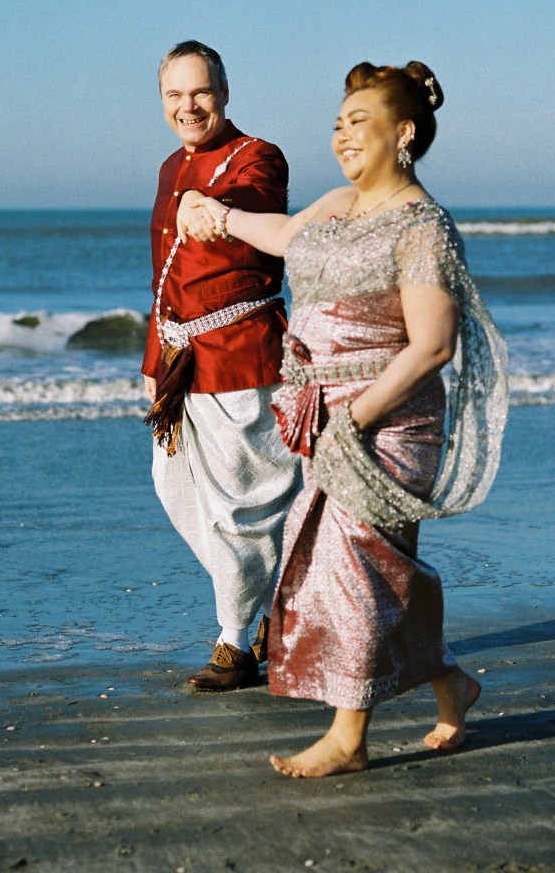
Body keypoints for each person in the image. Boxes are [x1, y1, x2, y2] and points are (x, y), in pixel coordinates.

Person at [179, 59, 508, 775]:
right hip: (322, 415)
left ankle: (348, 737)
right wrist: (219, 214)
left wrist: (355, 418)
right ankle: (451, 684)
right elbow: (285, 235)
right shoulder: (337, 205)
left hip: (387, 421)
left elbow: (433, 345)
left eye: (361, 122)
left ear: (406, 133)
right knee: (369, 567)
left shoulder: (422, 226)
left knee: (351, 563)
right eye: (338, 123)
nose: (343, 135)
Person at [141, 41, 301, 691]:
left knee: (242, 509)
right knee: (174, 489)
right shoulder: (165, 168)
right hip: (182, 364)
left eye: (200, 92)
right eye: (175, 95)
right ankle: (270, 605)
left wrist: (199, 205)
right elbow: (164, 276)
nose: (189, 106)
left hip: (244, 358)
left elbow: (251, 204)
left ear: (225, 92)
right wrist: (153, 362)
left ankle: (236, 643)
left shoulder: (259, 155)